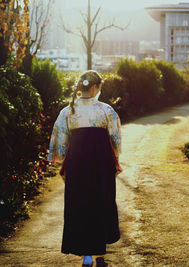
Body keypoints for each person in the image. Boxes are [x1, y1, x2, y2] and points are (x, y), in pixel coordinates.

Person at [48, 70, 122, 266]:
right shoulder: (106, 110)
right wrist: (116, 159)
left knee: (80, 205)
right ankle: (99, 254)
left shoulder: (68, 111)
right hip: (102, 163)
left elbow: (60, 141)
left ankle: (87, 257)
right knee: (101, 203)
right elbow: (115, 138)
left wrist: (63, 162)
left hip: (77, 163)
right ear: (96, 87)